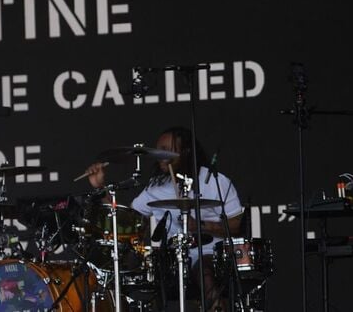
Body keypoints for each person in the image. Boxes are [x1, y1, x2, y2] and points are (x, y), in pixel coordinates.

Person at [83, 127, 243, 311]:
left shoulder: (214, 181)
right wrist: (101, 187)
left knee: (203, 271)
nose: (160, 155)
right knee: (141, 274)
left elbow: (236, 225)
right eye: (158, 150)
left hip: (209, 253)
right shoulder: (156, 187)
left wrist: (201, 225)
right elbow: (126, 221)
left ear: (185, 151)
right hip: (170, 258)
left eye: (166, 149)